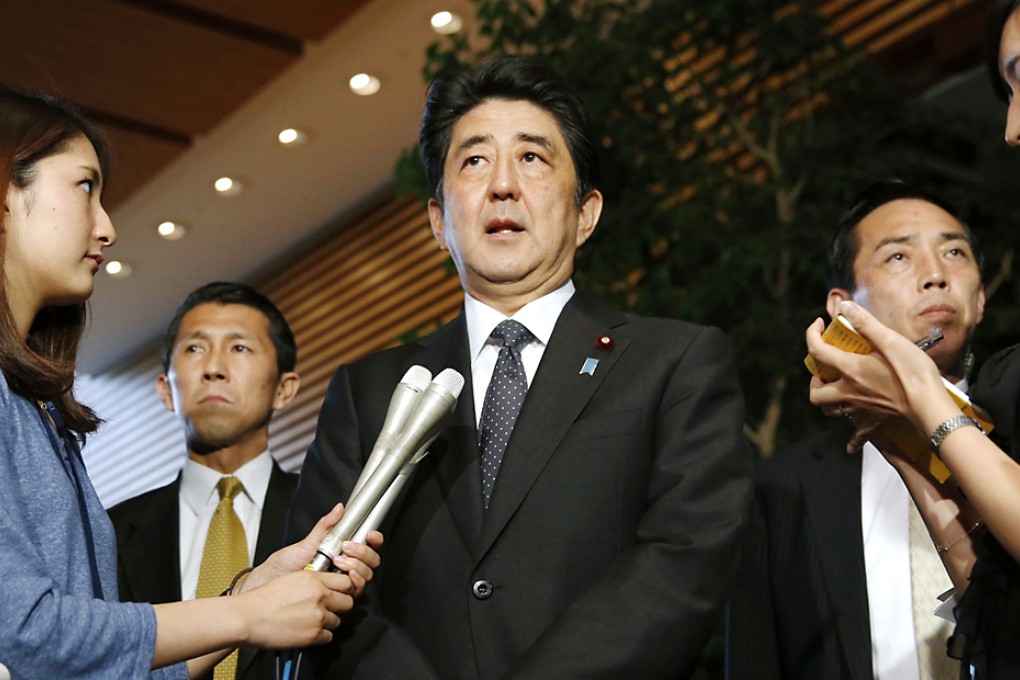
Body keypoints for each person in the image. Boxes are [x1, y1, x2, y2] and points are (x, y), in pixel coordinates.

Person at [286, 56, 751, 680]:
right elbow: (319, 581)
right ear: (436, 220)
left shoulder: (675, 363)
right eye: (474, 160)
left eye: (532, 158)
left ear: (585, 213)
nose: (502, 184)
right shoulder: (368, 390)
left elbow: (686, 559)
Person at [0, 87, 380, 679]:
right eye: (85, 187)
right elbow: (30, 632)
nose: (107, 228)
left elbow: (105, 669)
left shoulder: (36, 410)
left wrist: (245, 596)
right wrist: (246, 615)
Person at [728, 181, 986, 680]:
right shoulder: (780, 490)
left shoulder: (1008, 445)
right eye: (898, 257)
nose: (935, 275)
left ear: (979, 297)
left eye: (954, 251)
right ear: (844, 308)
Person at [109, 282, 311, 679]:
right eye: (195, 348)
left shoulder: (326, 513)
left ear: (284, 389)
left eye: (239, 348)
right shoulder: (109, 532)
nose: (214, 368)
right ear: (166, 390)